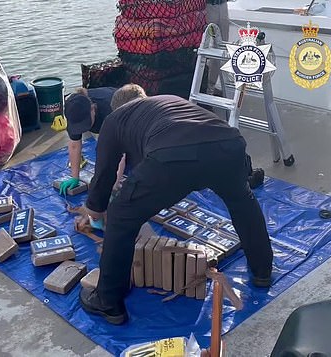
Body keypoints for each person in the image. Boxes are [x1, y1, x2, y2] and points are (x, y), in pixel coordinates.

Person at [78, 89, 274, 325]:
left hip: (174, 155)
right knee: (243, 202)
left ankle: (107, 301)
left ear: (116, 107)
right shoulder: (168, 101)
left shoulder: (114, 120)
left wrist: (95, 209)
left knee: (121, 214)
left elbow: (104, 174)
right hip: (229, 144)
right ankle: (262, 271)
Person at [59, 86, 133, 195]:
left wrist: (114, 184)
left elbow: (119, 151)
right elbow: (74, 145)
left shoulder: (110, 110)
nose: (82, 129)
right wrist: (75, 177)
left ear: (93, 109)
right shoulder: (74, 112)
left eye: (85, 123)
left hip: (131, 115)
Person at [206, 0, 230, 95]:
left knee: (221, 49)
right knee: (202, 48)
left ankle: (210, 88)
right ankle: (202, 86)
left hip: (223, 6)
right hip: (206, 7)